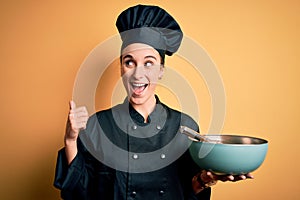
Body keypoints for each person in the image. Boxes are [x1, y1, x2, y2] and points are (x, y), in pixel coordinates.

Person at [54, 4, 252, 200]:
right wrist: (70, 140)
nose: (138, 73)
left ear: (161, 71)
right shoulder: (97, 125)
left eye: (149, 63)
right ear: (122, 69)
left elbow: (188, 191)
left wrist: (204, 179)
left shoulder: (185, 127)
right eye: (129, 62)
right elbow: (78, 193)